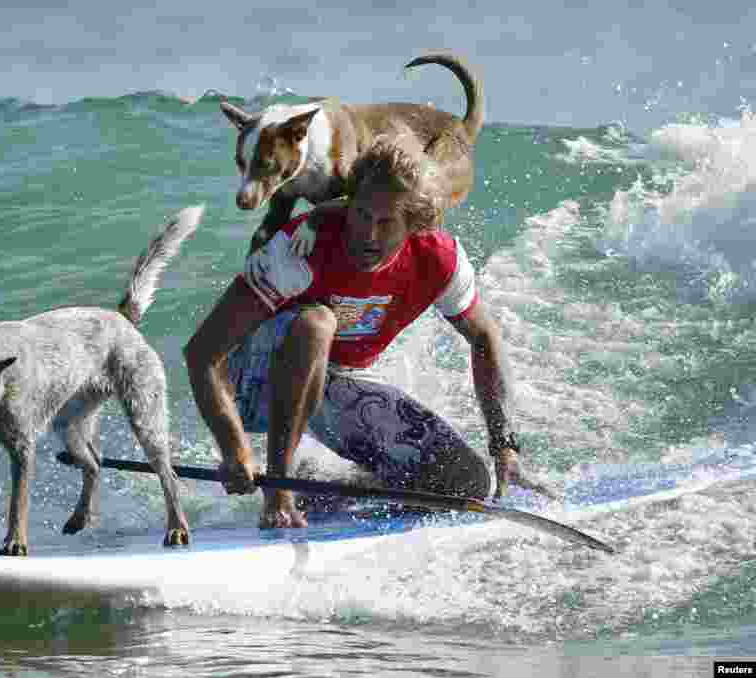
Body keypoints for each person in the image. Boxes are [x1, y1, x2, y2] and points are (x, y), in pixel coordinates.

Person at [184, 135, 557, 528]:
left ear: (414, 223)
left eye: (385, 223)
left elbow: (484, 337)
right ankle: (279, 492)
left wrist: (504, 445)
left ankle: (324, 490)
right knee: (316, 323)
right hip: (253, 384)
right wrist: (233, 447)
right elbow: (203, 354)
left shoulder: (439, 260)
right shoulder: (299, 250)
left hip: (326, 388)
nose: (368, 234)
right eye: (360, 215)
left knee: (463, 483)